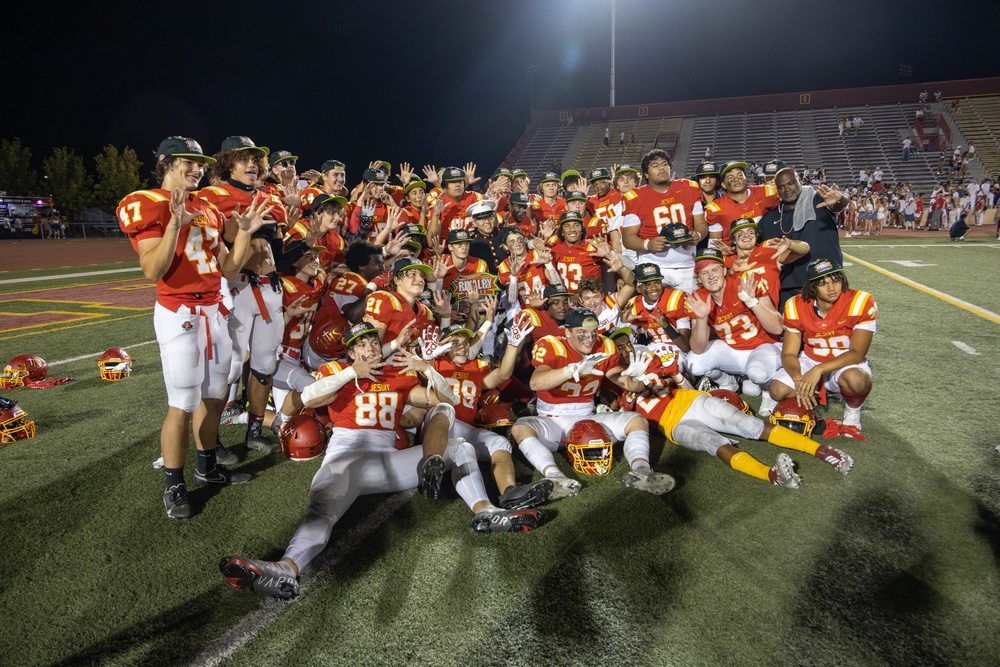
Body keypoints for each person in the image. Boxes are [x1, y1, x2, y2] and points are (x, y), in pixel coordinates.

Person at [219, 322, 544, 600]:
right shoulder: (335, 370)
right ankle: (286, 568)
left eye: (373, 341)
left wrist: (427, 370)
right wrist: (351, 372)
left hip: (386, 464)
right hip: (345, 457)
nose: (370, 347)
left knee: (457, 442)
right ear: (350, 352)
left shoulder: (397, 373)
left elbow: (447, 400)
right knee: (323, 511)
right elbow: (305, 399)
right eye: (361, 344)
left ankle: (486, 511)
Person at [117, 136, 272, 519]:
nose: (197, 168)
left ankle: (207, 468)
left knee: (216, 397)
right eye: (187, 161)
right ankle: (174, 484)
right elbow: (153, 270)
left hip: (215, 312)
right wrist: (173, 225)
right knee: (182, 404)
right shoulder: (146, 202)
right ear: (166, 163)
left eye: (199, 162)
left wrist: (247, 233)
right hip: (179, 313)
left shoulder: (204, 206)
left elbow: (229, 269)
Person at [610, 336, 853, 488]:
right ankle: (771, 475)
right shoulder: (615, 384)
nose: (625, 349)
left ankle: (821, 451)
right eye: (619, 348)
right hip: (672, 425)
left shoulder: (648, 359)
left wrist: (673, 373)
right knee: (712, 443)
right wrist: (630, 389)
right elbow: (627, 415)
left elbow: (680, 382)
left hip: (691, 401)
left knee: (748, 424)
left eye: (626, 344)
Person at [511, 308, 676, 498]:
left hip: (588, 416)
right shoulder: (552, 345)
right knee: (520, 428)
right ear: (567, 332)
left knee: (637, 420)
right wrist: (572, 370)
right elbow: (535, 383)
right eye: (581, 333)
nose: (589, 338)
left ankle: (642, 471)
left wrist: (638, 377)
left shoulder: (605, 346)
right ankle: (555, 477)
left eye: (593, 332)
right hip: (553, 419)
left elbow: (628, 384)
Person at [198, 136, 288, 456]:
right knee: (230, 368)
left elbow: (277, 246)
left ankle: (253, 432)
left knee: (263, 366)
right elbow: (207, 243)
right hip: (237, 287)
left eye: (255, 159)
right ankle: (212, 442)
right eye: (244, 158)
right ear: (227, 162)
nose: (252, 163)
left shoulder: (269, 196)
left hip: (271, 287)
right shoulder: (211, 195)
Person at [769, 259, 876, 439]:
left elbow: (857, 353)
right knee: (777, 390)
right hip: (811, 359)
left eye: (835, 280)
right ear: (812, 287)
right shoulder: (796, 305)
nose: (831, 287)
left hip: (844, 363)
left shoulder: (860, 301)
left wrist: (819, 370)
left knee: (857, 381)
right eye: (823, 283)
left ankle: (853, 411)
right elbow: (789, 353)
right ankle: (816, 393)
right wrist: (798, 378)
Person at [685, 248, 784, 412]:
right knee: (693, 363)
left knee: (757, 374)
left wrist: (752, 302)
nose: (711, 276)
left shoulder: (745, 282)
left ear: (724, 270)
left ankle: (768, 390)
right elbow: (698, 348)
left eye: (715, 269)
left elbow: (777, 328)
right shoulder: (698, 298)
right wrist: (702, 319)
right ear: (699, 279)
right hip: (734, 351)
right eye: (704, 273)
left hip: (764, 346)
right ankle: (726, 380)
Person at [756, 168, 847, 309]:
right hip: (790, 285)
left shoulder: (817, 200)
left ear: (800, 181)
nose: (787, 189)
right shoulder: (769, 219)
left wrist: (840, 200)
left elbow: (838, 205)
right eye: (781, 186)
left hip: (825, 280)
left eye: (791, 183)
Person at [620, 149, 708, 293]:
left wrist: (697, 235)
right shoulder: (635, 197)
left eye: (664, 164)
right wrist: (648, 244)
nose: (661, 168)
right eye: (655, 165)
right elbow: (628, 238)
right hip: (653, 266)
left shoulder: (689, 187)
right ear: (646, 174)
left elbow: (701, 224)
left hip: (687, 264)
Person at [704, 160, 778, 246]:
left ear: (746, 178)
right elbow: (715, 247)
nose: (736, 179)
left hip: (767, 249)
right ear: (724, 184)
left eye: (740, 175)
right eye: (730, 177)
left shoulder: (767, 192)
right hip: (734, 255)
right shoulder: (715, 208)